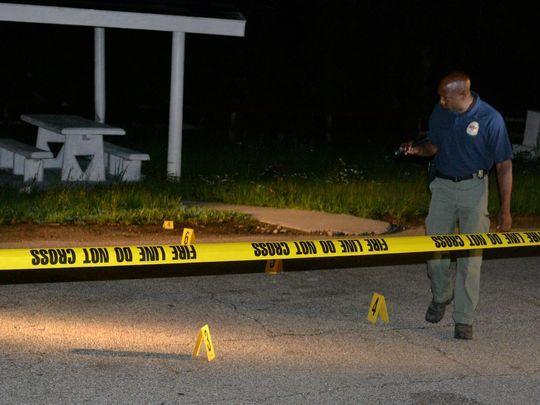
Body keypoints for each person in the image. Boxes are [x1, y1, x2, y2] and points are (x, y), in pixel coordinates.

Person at [401, 71, 513, 340]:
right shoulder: (441, 112)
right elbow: (434, 145)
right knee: (434, 249)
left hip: (474, 189)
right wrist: (418, 150)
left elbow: (504, 165)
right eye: (440, 97)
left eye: (445, 97)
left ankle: (464, 318)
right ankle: (441, 295)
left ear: (463, 95)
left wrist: (505, 209)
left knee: (470, 257)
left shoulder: (491, 119)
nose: (440, 101)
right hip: (442, 187)